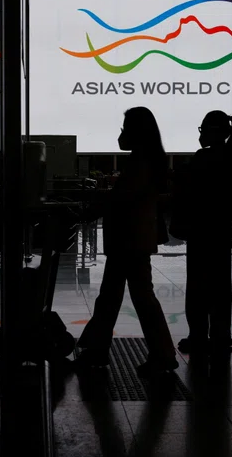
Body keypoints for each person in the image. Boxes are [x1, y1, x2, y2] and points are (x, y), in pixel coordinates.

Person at [76, 107, 178, 375]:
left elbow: (121, 199)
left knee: (135, 297)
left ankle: (161, 354)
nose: (121, 135)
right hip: (133, 239)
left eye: (125, 129)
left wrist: (91, 208)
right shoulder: (148, 160)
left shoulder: (140, 163)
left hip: (129, 241)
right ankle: (97, 348)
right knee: (115, 296)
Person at [174, 111, 232, 357]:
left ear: (212, 132)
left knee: (198, 287)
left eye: (202, 129)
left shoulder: (203, 158)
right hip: (221, 232)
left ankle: (198, 336)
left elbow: (190, 191)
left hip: (200, 231)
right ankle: (221, 335)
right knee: (221, 287)